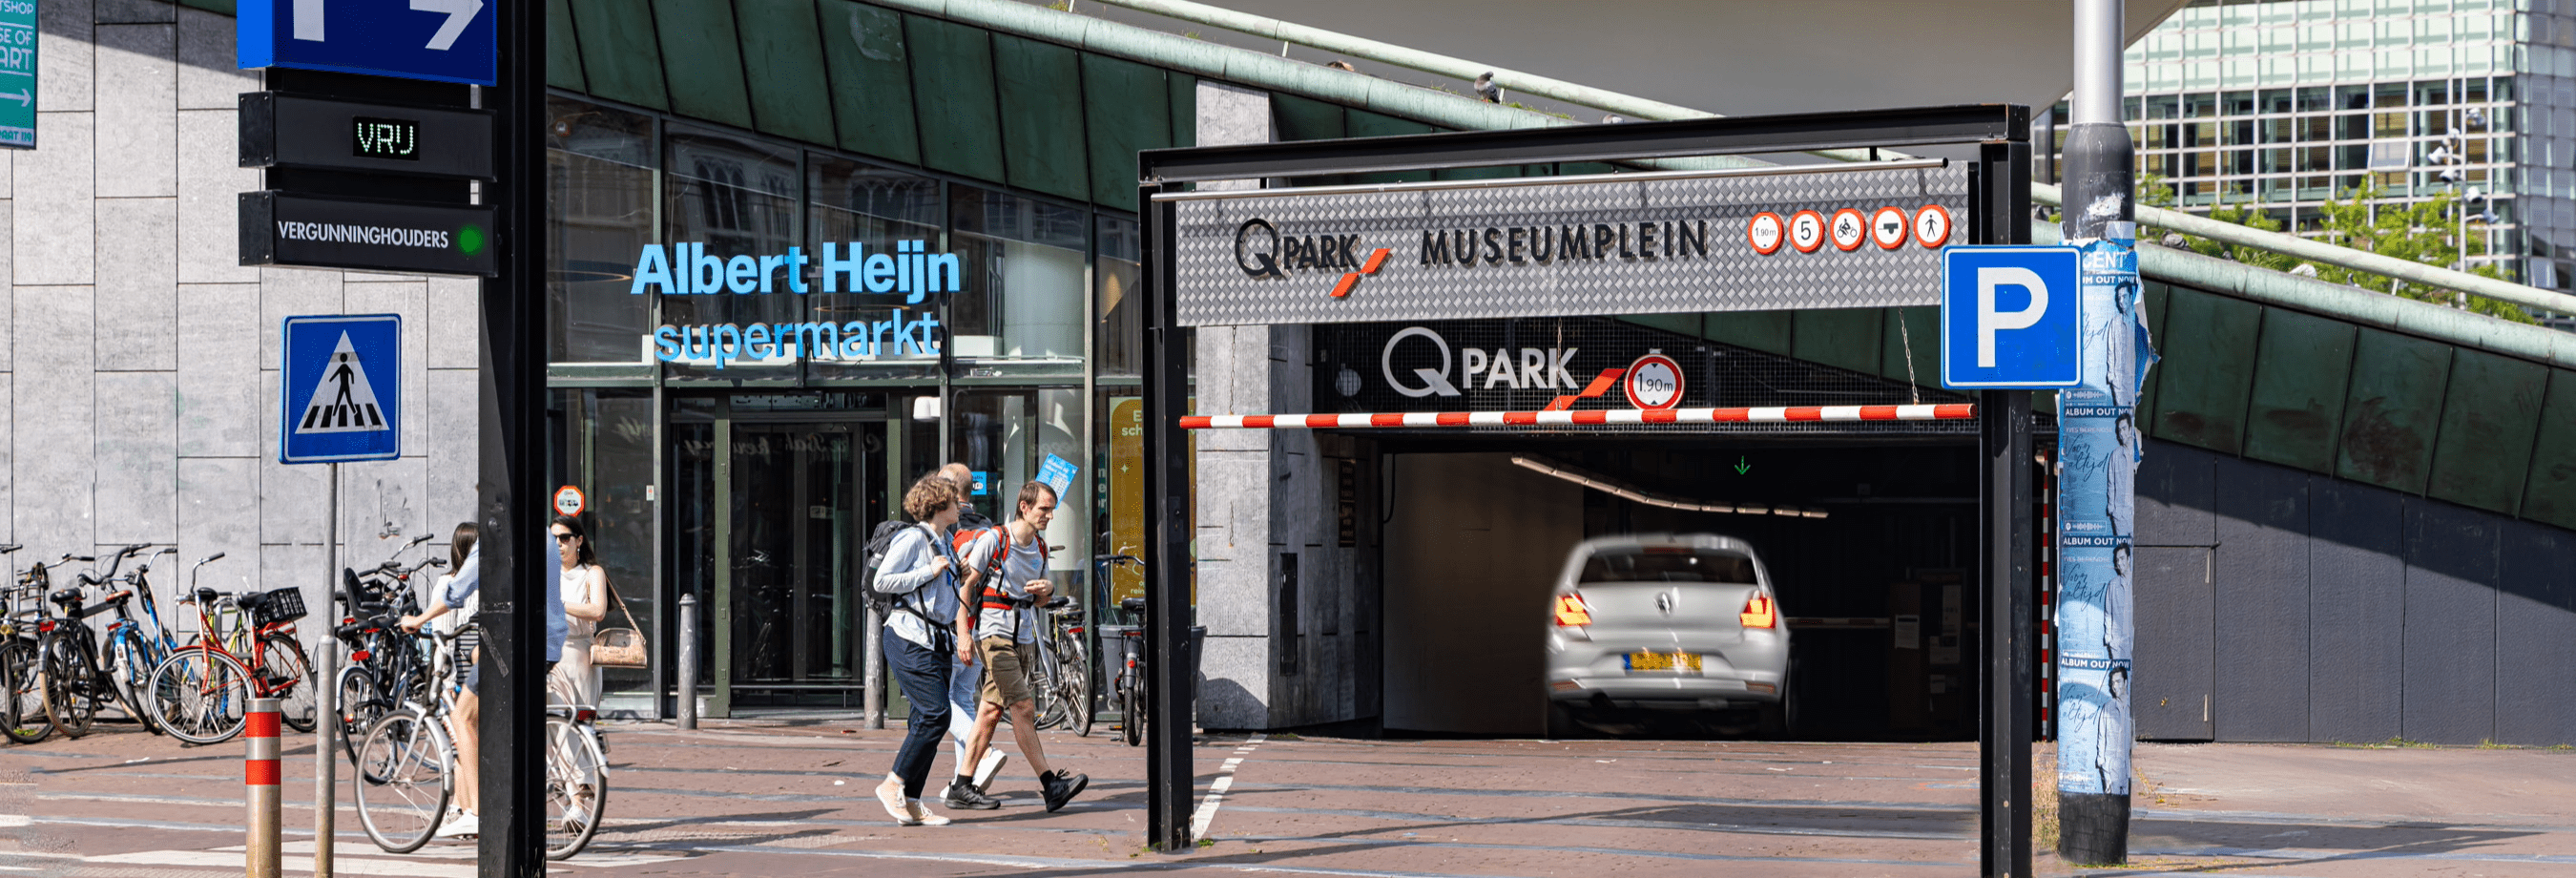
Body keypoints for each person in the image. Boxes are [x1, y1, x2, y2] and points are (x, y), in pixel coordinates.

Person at [952, 481, 1089, 812]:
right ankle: (1050, 784)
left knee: (989, 711)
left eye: (1051, 509)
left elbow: (1040, 602)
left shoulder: (1040, 549)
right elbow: (965, 587)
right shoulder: (994, 540)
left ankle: (961, 786)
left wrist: (1047, 588)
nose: (1049, 515)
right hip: (994, 634)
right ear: (1024, 507)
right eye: (1044, 508)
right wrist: (963, 635)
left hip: (1023, 635)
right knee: (1024, 707)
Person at [871, 474, 972, 826]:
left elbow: (944, 593)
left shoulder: (946, 541)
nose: (960, 505)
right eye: (955, 501)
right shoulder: (913, 538)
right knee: (936, 714)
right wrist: (928, 570)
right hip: (907, 637)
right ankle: (892, 784)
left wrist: (957, 572)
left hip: (936, 640)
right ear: (938, 505)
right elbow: (881, 581)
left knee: (923, 717)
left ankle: (911, 801)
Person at [400, 523, 481, 837]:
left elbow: (442, 636)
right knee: (469, 741)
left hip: (456, 673)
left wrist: (440, 675)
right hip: (468, 670)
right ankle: (465, 809)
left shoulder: (450, 583)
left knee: (461, 741)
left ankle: (464, 810)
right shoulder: (484, 583)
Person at [937, 464, 1008, 802]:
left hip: (953, 626)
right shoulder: (987, 528)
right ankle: (961, 780)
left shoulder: (947, 529)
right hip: (981, 625)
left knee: (938, 700)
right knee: (963, 698)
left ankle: (986, 752)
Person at [549, 516, 611, 708]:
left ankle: (590, 738)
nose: (558, 543)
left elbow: (598, 611)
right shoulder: (547, 573)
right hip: (552, 657)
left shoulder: (592, 572)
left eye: (565, 538)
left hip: (581, 657)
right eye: (554, 539)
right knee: (556, 722)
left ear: (579, 541)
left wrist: (560, 604)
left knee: (585, 718)